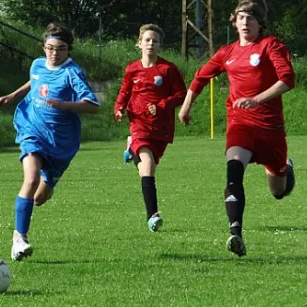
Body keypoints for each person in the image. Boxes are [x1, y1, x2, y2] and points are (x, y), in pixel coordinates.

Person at [178, 0, 296, 257]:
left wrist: (256, 99)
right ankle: (236, 233)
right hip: (240, 122)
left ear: (259, 23)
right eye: (241, 18)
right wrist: (185, 107)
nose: (245, 23)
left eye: (250, 18)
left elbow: (288, 80)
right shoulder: (227, 52)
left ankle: (285, 167)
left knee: (278, 190)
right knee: (233, 169)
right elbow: (200, 77)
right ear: (234, 21)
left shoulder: (270, 45)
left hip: (269, 127)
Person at [0, 23, 99, 261]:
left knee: (39, 199)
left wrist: (64, 105)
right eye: (50, 48)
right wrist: (13, 95)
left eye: (60, 49)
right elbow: (34, 81)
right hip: (33, 129)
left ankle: (30, 212)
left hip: (61, 142)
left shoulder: (73, 73)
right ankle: (20, 238)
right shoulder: (37, 64)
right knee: (30, 178)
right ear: (43, 47)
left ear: (68, 50)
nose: (54, 53)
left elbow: (92, 105)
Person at [114, 24, 186, 232]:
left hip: (161, 128)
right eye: (147, 40)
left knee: (149, 166)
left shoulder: (167, 69)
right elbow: (124, 92)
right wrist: (119, 108)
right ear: (139, 43)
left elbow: (180, 94)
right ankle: (152, 215)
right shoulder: (132, 69)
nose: (151, 44)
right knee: (147, 166)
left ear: (160, 45)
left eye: (155, 41)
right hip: (139, 124)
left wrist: (162, 105)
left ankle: (131, 148)